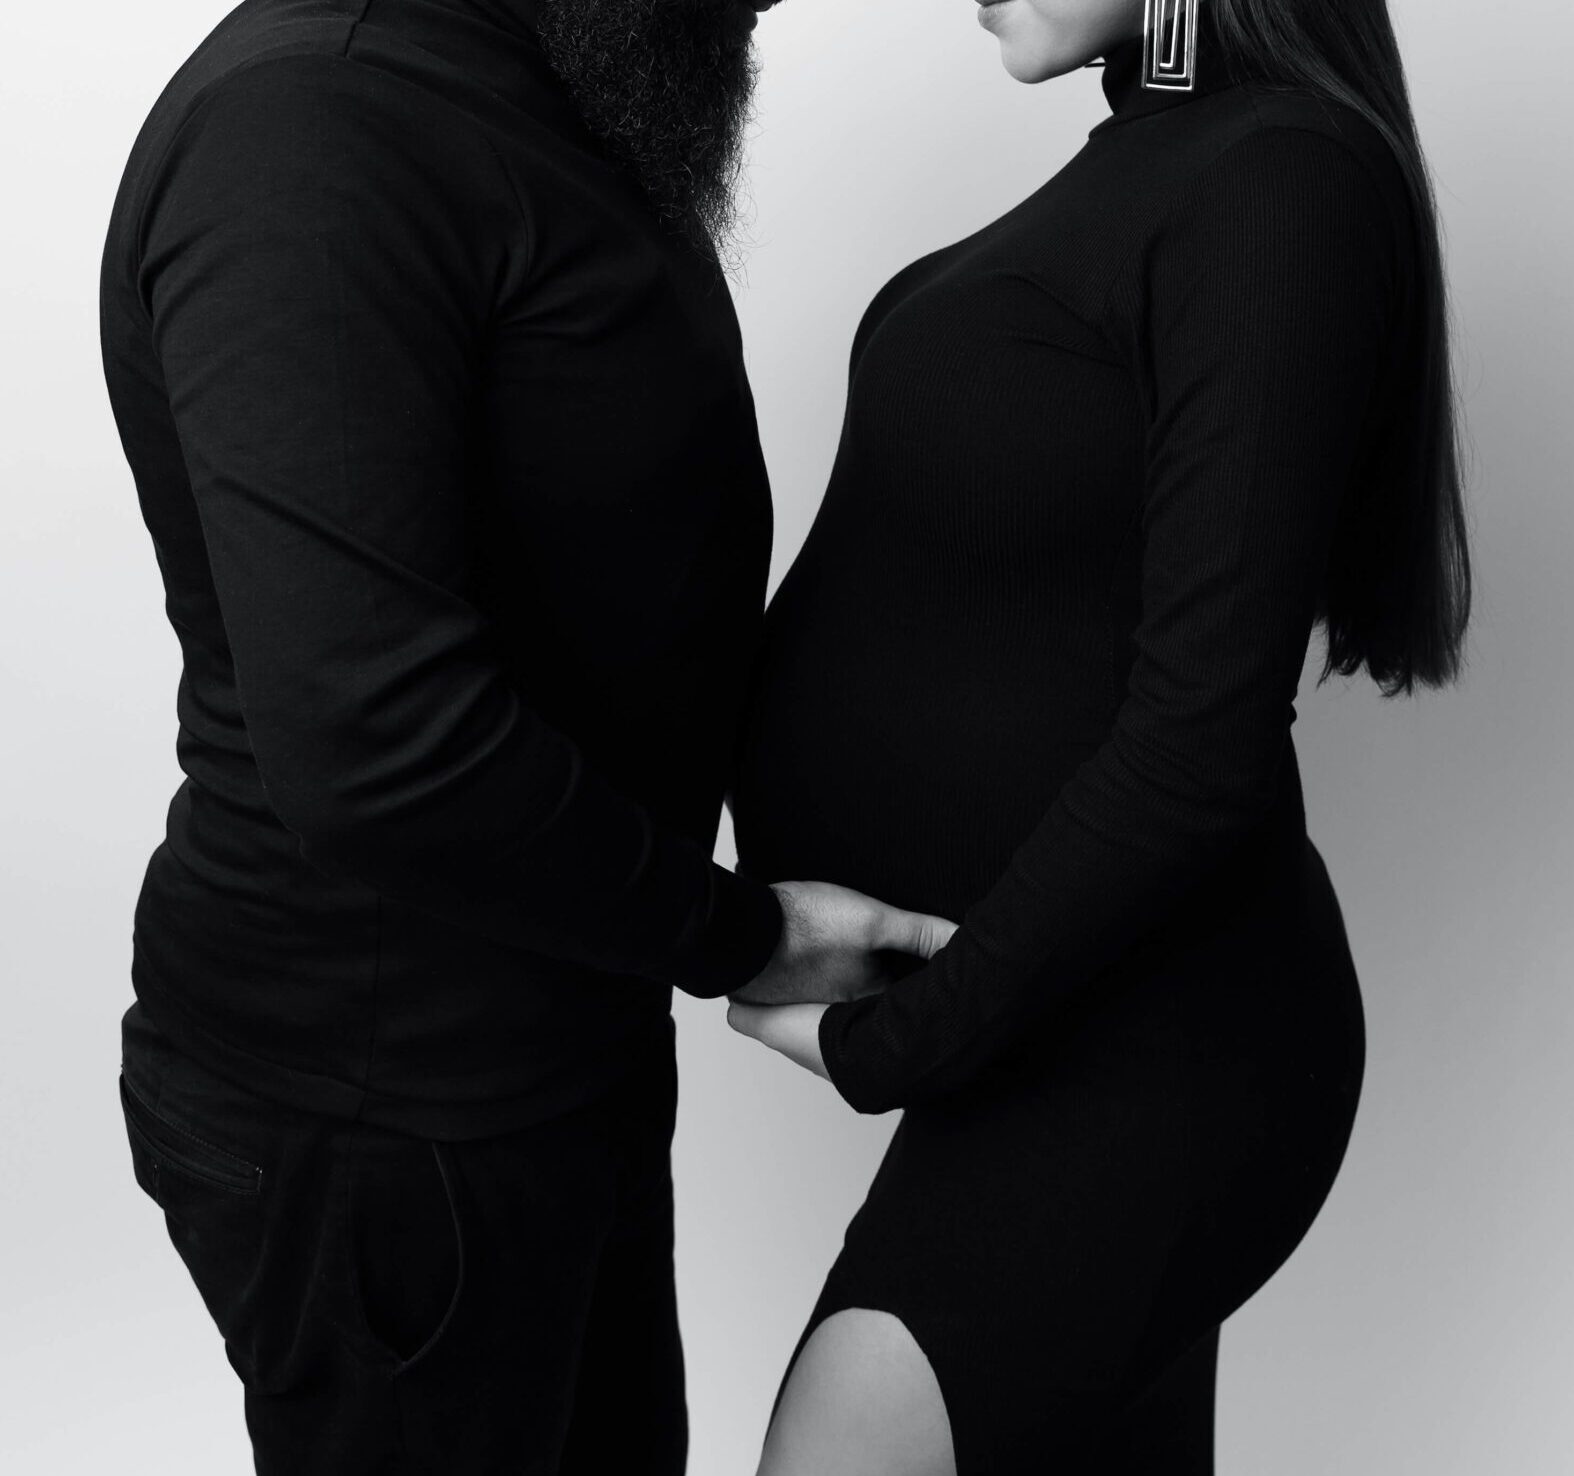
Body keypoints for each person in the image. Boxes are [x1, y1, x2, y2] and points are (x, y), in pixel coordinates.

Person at [99, 0, 947, 1470]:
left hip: (553, 1050)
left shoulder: (537, 89)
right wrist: (739, 934)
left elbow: (613, 581)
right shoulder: (316, 129)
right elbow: (374, 744)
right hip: (387, 1113)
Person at [726, 0, 1472, 1471]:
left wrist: (902, 1042)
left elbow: (1202, 740)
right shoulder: (1163, 163)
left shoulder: (1280, 177)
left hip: (1163, 1035)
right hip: (1047, 1015)